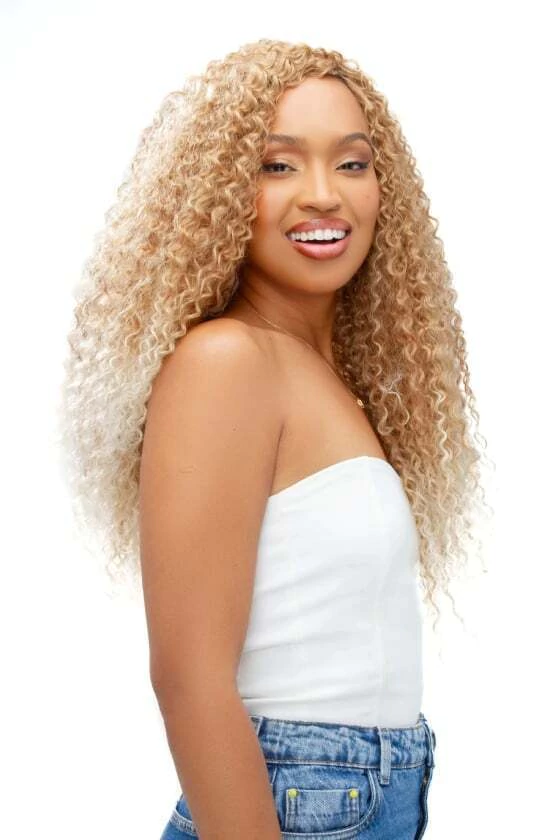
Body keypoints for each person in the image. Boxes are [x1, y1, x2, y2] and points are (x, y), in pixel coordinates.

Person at [57, 38, 492, 839]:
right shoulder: (225, 362)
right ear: (222, 193)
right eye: (278, 165)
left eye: (352, 163)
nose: (322, 195)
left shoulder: (330, 381)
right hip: (293, 801)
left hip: (369, 795)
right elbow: (189, 678)